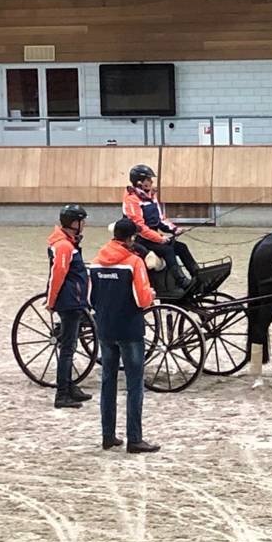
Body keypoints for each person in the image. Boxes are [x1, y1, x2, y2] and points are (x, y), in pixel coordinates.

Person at [88, 218, 160, 453]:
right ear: (131, 239)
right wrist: (151, 294)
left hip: (106, 329)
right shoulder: (134, 262)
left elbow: (91, 299)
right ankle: (135, 438)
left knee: (108, 381)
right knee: (134, 385)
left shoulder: (97, 262)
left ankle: (108, 435)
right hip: (130, 329)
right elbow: (142, 299)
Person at [122, 163, 200, 293]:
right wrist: (159, 238)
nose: (151, 182)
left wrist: (174, 229)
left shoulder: (151, 197)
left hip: (153, 238)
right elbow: (139, 227)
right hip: (139, 241)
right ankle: (182, 282)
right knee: (168, 250)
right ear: (140, 182)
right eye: (149, 179)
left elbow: (160, 219)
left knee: (181, 247)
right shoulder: (132, 200)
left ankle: (197, 275)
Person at [46, 204, 92, 409]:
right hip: (69, 300)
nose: (85, 225)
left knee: (71, 346)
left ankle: (69, 384)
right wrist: (51, 300)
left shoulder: (69, 243)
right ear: (75, 223)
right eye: (83, 221)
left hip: (75, 298)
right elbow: (58, 274)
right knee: (67, 349)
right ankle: (62, 393)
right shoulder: (64, 246)